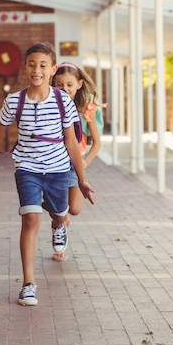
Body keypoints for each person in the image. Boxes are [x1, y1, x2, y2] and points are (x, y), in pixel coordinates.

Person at [0, 41, 95, 306]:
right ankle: (28, 284)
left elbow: (72, 142)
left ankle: (59, 225)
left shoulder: (63, 101)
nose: (36, 70)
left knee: (60, 212)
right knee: (30, 220)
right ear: (25, 67)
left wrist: (82, 179)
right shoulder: (15, 100)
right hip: (27, 168)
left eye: (43, 65)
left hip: (59, 169)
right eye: (32, 64)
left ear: (53, 69)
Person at [52, 62, 102, 241]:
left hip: (75, 162)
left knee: (74, 208)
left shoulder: (86, 107)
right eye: (59, 85)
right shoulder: (51, 104)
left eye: (69, 85)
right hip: (53, 161)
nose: (64, 89)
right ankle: (58, 229)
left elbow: (96, 142)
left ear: (79, 84)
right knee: (59, 209)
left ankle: (61, 214)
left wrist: (85, 162)